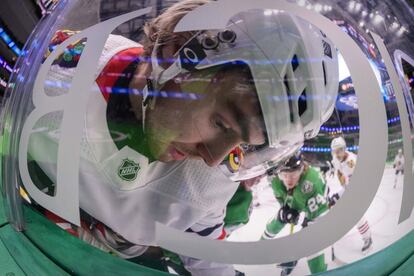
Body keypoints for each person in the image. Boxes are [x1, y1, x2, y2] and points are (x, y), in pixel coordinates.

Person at [27, 0, 340, 275]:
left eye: (244, 143)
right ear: (174, 50)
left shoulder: (210, 180)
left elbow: (207, 258)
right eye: (222, 122)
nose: (214, 157)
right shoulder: (61, 67)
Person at [261, 154, 329, 275]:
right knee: (280, 218)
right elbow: (283, 203)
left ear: (301, 171)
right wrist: (286, 211)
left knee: (311, 242)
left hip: (317, 209)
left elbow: (317, 217)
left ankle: (320, 272)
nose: (289, 179)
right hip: (300, 199)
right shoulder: (276, 181)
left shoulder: (311, 182)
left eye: (293, 174)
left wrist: (303, 222)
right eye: (284, 175)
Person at [330, 137, 373, 253]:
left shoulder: (351, 163)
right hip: (348, 186)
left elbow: (353, 187)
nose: (336, 153)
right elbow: (340, 174)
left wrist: (338, 195)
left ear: (344, 149)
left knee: (356, 214)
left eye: (339, 150)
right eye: (334, 151)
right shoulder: (335, 159)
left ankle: (367, 238)